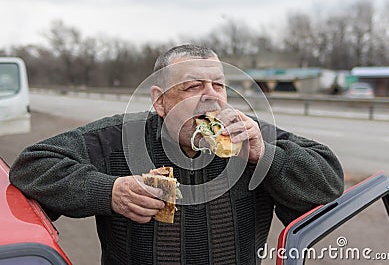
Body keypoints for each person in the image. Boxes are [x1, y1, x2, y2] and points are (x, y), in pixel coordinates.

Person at [9, 44, 344, 264]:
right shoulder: (117, 138)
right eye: (193, 86)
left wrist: (267, 156)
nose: (211, 97)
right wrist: (108, 192)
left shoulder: (251, 136)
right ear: (160, 101)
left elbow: (328, 183)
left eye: (219, 85)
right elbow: (31, 165)